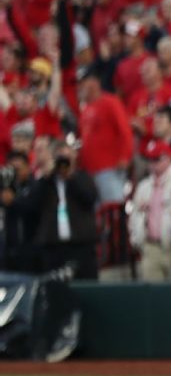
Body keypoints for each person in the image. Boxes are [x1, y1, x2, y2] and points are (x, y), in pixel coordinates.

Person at [33, 138, 99, 279]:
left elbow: (90, 198)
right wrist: (46, 175)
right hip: (53, 248)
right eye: (59, 158)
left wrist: (71, 177)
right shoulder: (46, 182)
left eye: (67, 157)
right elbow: (32, 205)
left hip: (81, 246)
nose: (63, 163)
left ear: (74, 157)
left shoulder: (83, 177)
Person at [127, 140, 171, 281]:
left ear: (169, 157)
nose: (152, 163)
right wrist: (137, 240)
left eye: (156, 159)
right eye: (150, 159)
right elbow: (134, 216)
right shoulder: (144, 186)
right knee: (153, 296)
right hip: (150, 247)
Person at [75, 71, 134, 205]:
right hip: (90, 171)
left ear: (94, 84)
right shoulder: (84, 109)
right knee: (99, 212)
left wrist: (125, 156)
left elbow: (125, 130)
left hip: (110, 167)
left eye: (83, 84)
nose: (80, 88)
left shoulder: (110, 102)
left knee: (113, 207)